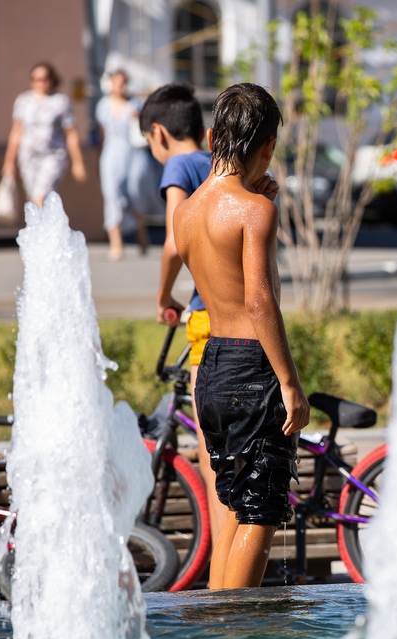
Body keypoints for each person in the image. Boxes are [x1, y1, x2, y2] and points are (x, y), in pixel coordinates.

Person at [172, 82, 309, 589]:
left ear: (211, 137)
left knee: (233, 499)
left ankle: (217, 625)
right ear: (268, 146)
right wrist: (289, 383)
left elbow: (221, 283)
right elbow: (259, 300)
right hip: (252, 366)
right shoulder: (255, 211)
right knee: (260, 508)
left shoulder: (185, 214)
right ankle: (235, 635)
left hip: (210, 367)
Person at [140, 82, 229, 586]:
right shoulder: (219, 163)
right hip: (237, 316)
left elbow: (175, 239)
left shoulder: (179, 167)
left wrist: (162, 297)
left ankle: (219, 565)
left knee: (209, 445)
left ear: (158, 133)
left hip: (204, 316)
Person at [2, 62, 86, 206]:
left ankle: (43, 226)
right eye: (36, 79)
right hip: (28, 157)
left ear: (52, 79)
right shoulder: (23, 101)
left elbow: (71, 134)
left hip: (52, 156)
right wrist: (9, 162)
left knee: (40, 195)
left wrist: (78, 162)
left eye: (44, 78)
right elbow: (16, 133)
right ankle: (42, 227)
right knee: (33, 200)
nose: (41, 83)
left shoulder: (60, 102)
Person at [95, 69, 147, 260]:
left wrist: (137, 117)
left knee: (134, 195)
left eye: (123, 82)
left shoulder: (135, 104)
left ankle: (142, 235)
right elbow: (102, 135)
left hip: (132, 153)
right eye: (117, 82)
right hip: (111, 154)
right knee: (112, 195)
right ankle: (116, 244)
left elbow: (143, 131)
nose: (121, 86)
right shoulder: (103, 105)